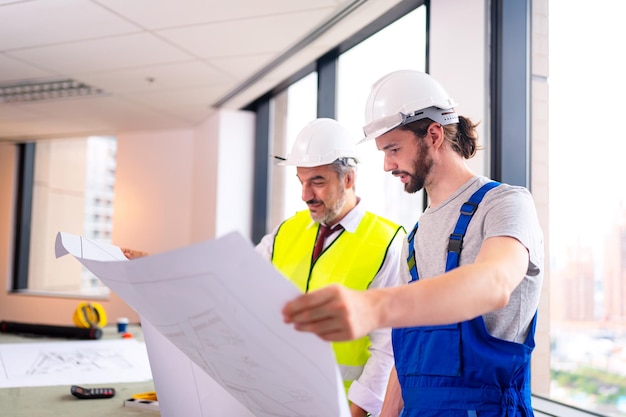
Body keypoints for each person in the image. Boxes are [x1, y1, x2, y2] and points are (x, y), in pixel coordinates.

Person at [282, 70, 544, 417]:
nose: (388, 164)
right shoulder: (417, 235)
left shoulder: (505, 204)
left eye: (393, 149)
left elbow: (493, 283)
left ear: (434, 134)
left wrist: (373, 307)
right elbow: (406, 358)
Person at [256, 118, 408, 417]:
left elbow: (388, 346)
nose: (306, 195)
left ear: (348, 179)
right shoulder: (286, 231)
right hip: (278, 401)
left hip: (340, 407)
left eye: (318, 181)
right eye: (301, 182)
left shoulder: (388, 241)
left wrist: (356, 411)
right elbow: (236, 282)